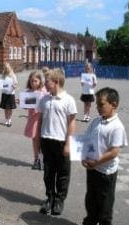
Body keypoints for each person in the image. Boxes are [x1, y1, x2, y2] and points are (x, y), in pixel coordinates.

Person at [81, 87, 127, 225]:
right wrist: (84, 156)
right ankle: (90, 220)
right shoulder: (96, 121)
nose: (98, 108)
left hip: (106, 173)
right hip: (93, 170)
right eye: (97, 105)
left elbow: (114, 152)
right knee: (91, 200)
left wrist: (97, 161)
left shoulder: (117, 127)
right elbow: (86, 139)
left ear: (114, 104)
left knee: (105, 206)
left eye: (101, 104)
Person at [37, 68, 77, 216]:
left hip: (61, 141)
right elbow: (40, 120)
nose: (44, 83)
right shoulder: (44, 99)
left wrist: (68, 144)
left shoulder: (68, 100)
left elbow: (72, 123)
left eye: (47, 81)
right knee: (48, 173)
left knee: (63, 173)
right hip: (46, 140)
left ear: (56, 82)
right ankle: (50, 198)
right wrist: (38, 142)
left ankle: (59, 200)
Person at [23, 71, 46, 170]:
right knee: (35, 139)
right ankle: (36, 159)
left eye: (35, 81)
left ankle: (43, 160)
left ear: (40, 81)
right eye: (31, 81)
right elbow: (25, 107)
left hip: (43, 119)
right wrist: (22, 102)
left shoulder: (44, 91)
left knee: (43, 140)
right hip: (33, 120)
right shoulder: (28, 92)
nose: (33, 83)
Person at [0, 62, 18, 127]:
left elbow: (15, 84)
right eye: (5, 67)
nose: (6, 69)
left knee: (10, 108)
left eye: (7, 67)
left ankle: (9, 119)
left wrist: (14, 86)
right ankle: (6, 119)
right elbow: (1, 84)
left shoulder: (13, 75)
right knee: (5, 108)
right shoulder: (3, 75)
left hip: (11, 94)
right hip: (4, 93)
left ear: (9, 67)